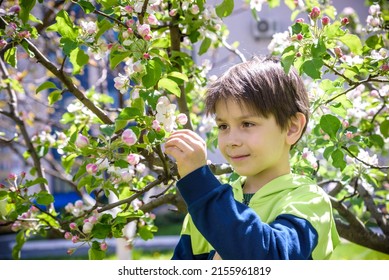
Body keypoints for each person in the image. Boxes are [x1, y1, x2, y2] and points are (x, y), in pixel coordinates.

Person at [164, 55, 340, 260]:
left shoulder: (309, 200)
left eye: (247, 124)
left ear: (292, 127)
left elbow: (272, 258)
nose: (231, 140)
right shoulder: (205, 210)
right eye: (223, 126)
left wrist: (200, 184)